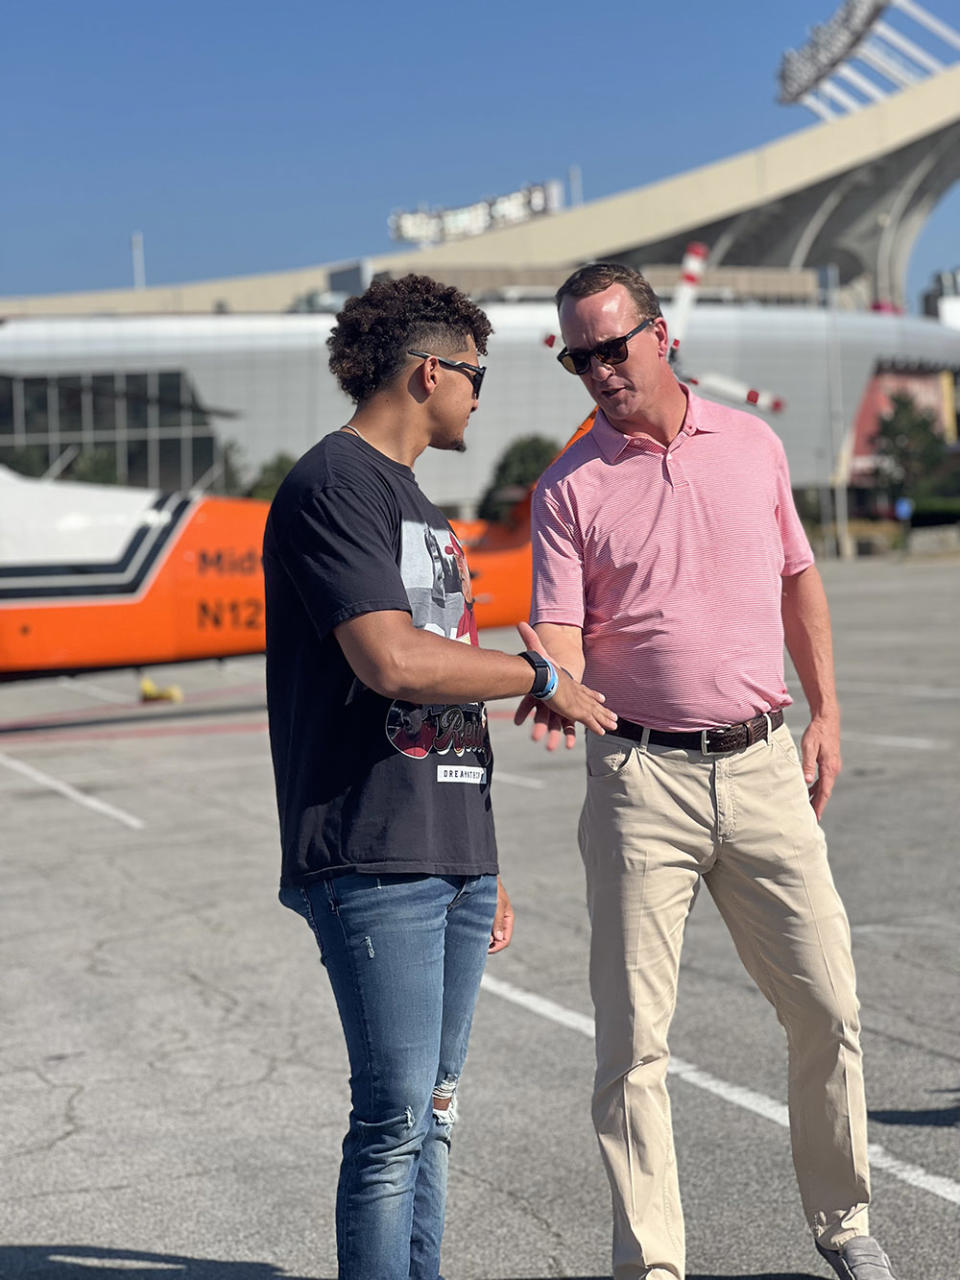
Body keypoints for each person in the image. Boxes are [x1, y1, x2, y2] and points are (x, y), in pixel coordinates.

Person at [521, 261, 898, 1280]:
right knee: (633, 1043)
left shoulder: (752, 444)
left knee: (828, 1002)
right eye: (578, 355)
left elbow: (797, 580)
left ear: (660, 335)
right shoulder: (567, 488)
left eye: (611, 346)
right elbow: (557, 623)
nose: (597, 370)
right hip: (642, 782)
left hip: (765, 763)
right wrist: (552, 672)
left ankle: (844, 1220)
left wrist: (827, 712)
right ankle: (652, 1262)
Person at [262, 272, 617, 1280]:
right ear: (430, 371)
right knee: (392, 1122)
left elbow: (445, 692)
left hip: (446, 846)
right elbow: (395, 660)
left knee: (435, 1117)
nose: (479, 393)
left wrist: (484, 855)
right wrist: (542, 672)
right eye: (476, 373)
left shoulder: (417, 500)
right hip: (372, 852)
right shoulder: (335, 484)